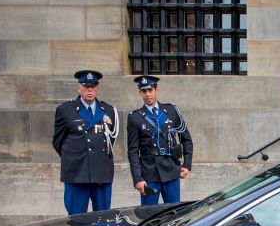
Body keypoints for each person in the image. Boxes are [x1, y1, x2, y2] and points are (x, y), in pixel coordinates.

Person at [52, 70, 119, 215]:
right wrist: (75, 155)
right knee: (76, 220)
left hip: (101, 172)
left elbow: (110, 139)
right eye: (86, 86)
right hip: (77, 172)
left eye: (93, 86)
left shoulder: (108, 110)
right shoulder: (66, 110)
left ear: (97, 89)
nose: (90, 90)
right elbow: (58, 141)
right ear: (79, 88)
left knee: (103, 219)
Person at [126, 75, 194, 205]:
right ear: (140, 93)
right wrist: (137, 178)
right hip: (149, 173)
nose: (147, 95)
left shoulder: (171, 111)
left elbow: (186, 139)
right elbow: (133, 151)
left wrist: (186, 164)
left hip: (171, 170)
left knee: (174, 213)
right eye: (144, 91)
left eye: (150, 90)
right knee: (149, 215)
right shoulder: (135, 117)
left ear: (156, 90)